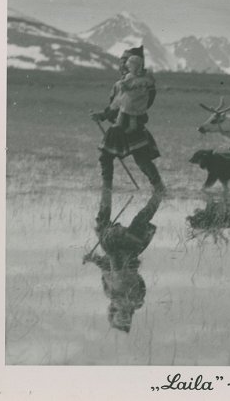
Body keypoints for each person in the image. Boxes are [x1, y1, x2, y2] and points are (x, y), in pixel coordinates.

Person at [83, 186, 164, 332]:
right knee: (106, 222)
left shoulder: (119, 296)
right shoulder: (124, 299)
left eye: (120, 320)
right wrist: (100, 250)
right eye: (125, 321)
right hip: (121, 247)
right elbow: (116, 266)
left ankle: (158, 193)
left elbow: (109, 268)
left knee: (141, 217)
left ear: (113, 315)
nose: (124, 318)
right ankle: (107, 186)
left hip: (130, 249)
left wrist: (94, 259)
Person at [90, 46, 165, 197]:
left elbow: (126, 104)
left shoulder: (133, 84)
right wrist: (104, 115)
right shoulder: (130, 82)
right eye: (122, 61)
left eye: (125, 61)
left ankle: (107, 190)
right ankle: (158, 187)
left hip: (125, 126)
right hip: (130, 125)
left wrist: (105, 115)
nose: (121, 64)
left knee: (109, 157)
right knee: (140, 160)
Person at [111, 54, 155, 133]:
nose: (129, 69)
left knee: (124, 111)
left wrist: (123, 85)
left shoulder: (131, 77)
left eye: (130, 67)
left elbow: (127, 86)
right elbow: (149, 84)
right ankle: (130, 126)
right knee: (132, 115)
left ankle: (121, 123)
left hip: (131, 98)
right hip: (139, 99)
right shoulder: (145, 77)